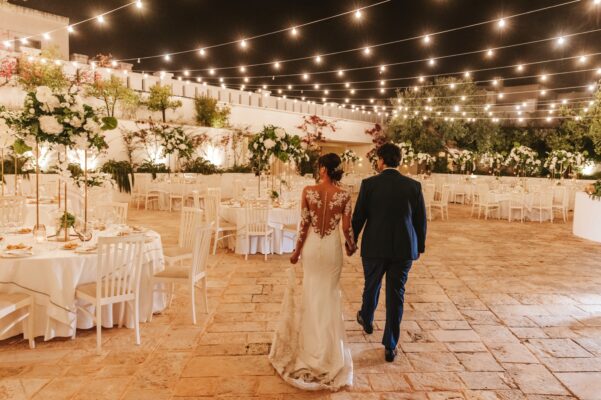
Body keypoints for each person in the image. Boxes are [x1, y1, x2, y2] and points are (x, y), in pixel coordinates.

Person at [269, 153, 356, 391]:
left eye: (320, 167)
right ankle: (328, 350)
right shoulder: (344, 195)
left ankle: (310, 347)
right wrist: (351, 246)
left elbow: (304, 225)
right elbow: (346, 227)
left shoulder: (308, 191)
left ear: (324, 169)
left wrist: (296, 251)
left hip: (312, 247)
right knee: (329, 295)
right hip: (331, 250)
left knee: (311, 293)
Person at [352, 143, 427, 362]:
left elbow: (359, 216)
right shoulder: (413, 186)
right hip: (403, 249)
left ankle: (366, 318)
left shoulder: (369, 184)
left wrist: (352, 240)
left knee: (372, 285)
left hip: (374, 246)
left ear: (382, 160)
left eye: (377, 159)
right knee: (396, 295)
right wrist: (419, 246)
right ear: (399, 161)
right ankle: (390, 345)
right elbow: (420, 220)